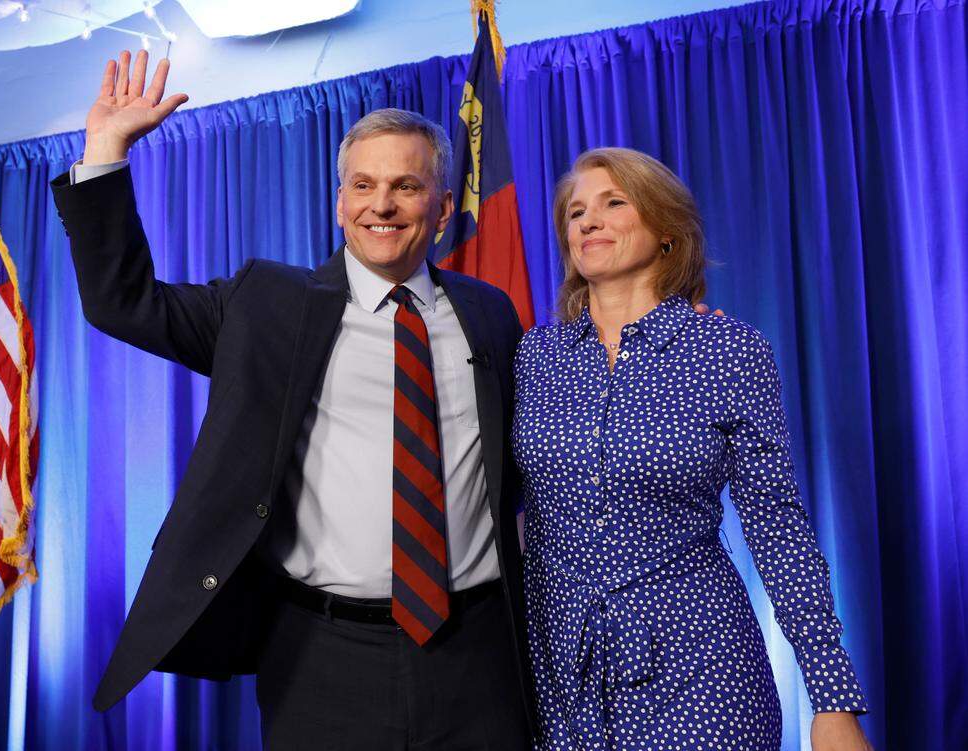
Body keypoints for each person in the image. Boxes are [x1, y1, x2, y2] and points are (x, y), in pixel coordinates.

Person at [51, 50, 533, 748]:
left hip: (478, 652)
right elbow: (124, 304)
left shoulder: (491, 313)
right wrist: (105, 151)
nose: (382, 204)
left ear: (443, 205)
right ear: (340, 203)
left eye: (405, 185)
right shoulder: (267, 306)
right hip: (321, 658)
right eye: (362, 185)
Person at [511, 148, 872, 750]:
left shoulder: (727, 350)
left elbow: (778, 528)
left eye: (613, 203)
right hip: (562, 679)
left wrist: (832, 699)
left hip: (701, 671)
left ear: (666, 232)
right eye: (575, 213)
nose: (588, 222)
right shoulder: (535, 359)